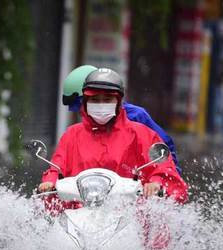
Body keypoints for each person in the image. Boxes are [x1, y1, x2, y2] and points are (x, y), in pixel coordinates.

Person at [39, 68, 187, 203]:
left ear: (118, 102)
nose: (101, 105)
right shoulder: (71, 135)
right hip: (81, 214)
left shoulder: (141, 132)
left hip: (131, 213)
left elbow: (162, 165)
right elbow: (57, 167)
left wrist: (155, 183)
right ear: (85, 102)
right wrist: (50, 182)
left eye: (107, 99)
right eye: (95, 100)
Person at [61, 65, 183, 175]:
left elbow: (163, 146)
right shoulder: (78, 131)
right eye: (94, 101)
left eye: (104, 99)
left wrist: (167, 176)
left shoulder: (136, 117)